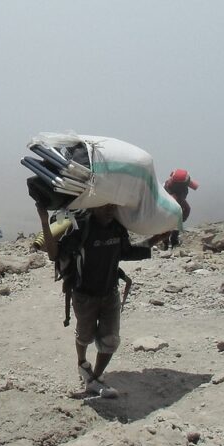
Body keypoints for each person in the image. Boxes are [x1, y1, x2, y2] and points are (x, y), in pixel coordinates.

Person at [36, 202, 151, 398]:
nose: (109, 210)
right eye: (104, 206)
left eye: (112, 206)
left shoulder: (117, 226)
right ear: (93, 206)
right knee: (85, 335)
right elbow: (54, 254)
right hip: (84, 295)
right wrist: (44, 222)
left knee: (111, 339)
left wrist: (157, 238)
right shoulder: (82, 228)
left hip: (110, 293)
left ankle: (95, 379)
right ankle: (82, 363)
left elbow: (126, 252)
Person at [150, 169, 199, 249]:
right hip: (170, 202)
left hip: (175, 202)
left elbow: (194, 185)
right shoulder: (171, 189)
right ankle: (169, 242)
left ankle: (170, 241)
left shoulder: (175, 182)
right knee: (172, 220)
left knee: (175, 219)